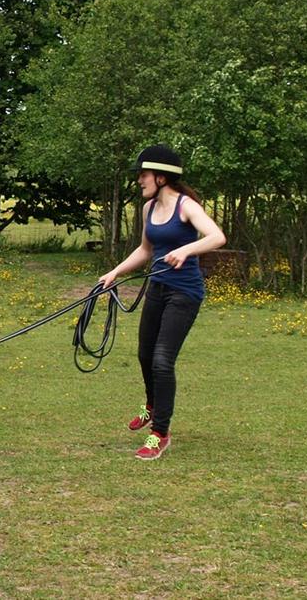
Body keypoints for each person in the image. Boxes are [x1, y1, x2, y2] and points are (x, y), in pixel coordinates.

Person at [98, 145, 226, 460]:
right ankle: (152, 404)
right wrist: (114, 272)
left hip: (184, 293)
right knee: (144, 355)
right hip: (157, 287)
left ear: (161, 176)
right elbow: (145, 250)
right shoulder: (148, 209)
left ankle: (160, 434)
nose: (139, 180)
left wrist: (187, 250)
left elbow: (217, 236)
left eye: (143, 175)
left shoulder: (186, 206)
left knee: (162, 360)